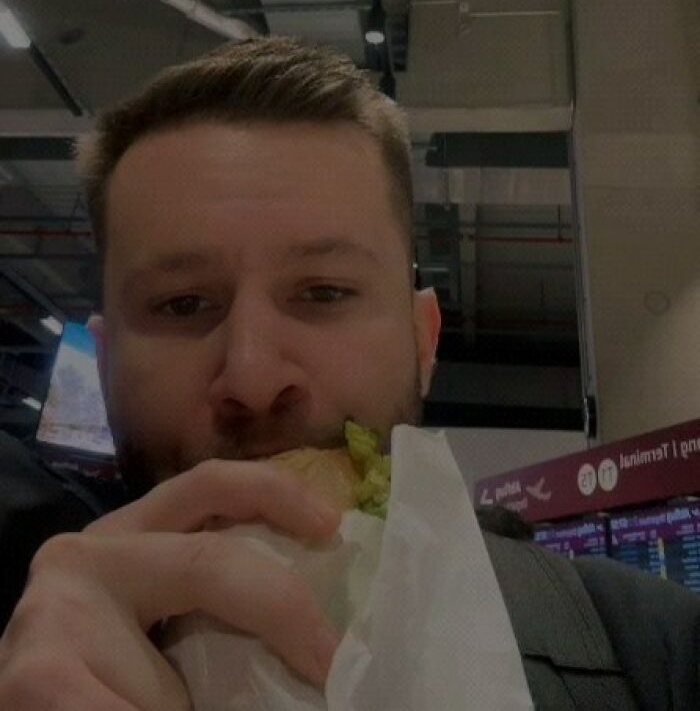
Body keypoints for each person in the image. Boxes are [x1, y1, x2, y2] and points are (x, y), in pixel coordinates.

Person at [0, 37, 697, 710]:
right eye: (182, 304)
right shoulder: (29, 659)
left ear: (423, 342)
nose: (252, 378)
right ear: (106, 364)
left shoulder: (654, 656)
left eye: (324, 292)